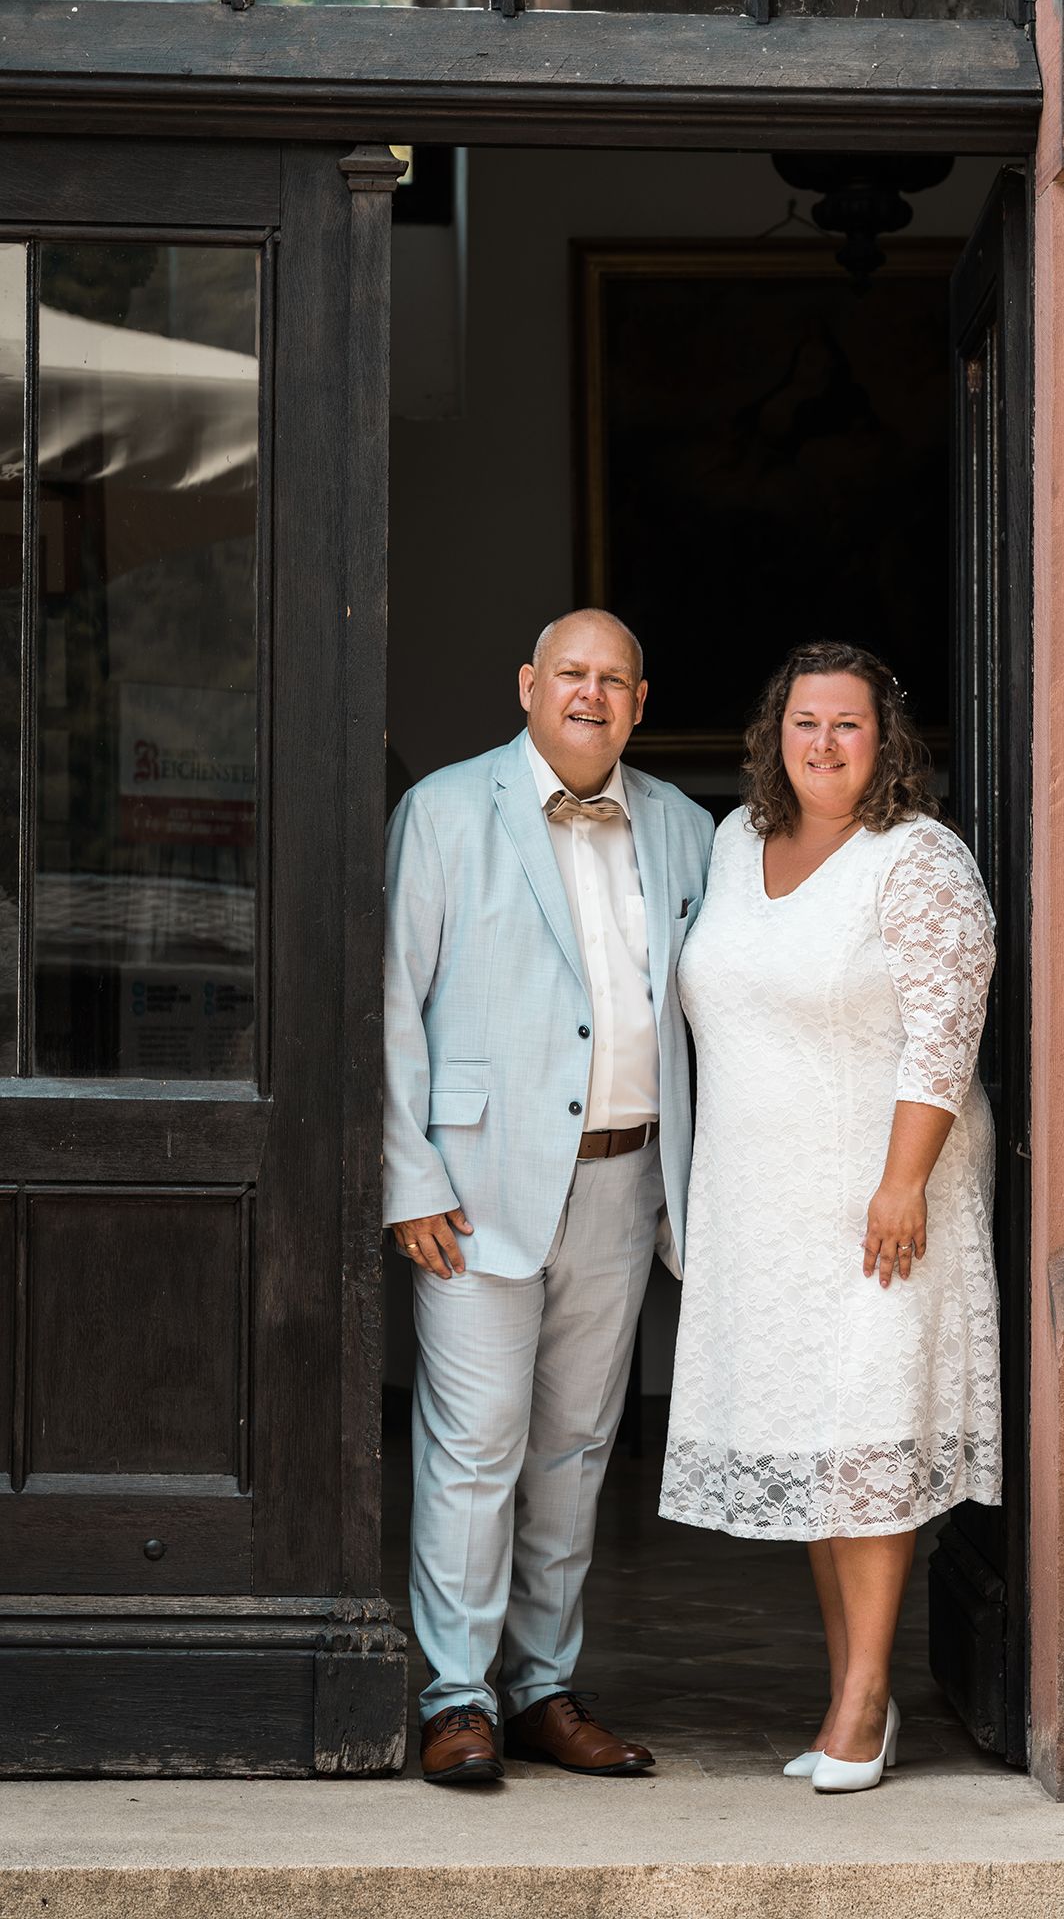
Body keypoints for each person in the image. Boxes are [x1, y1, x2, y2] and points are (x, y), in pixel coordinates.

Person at [659, 639, 1000, 1795]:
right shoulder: (735, 839)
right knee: (814, 1445)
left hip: (877, 1196)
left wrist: (901, 1180)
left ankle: (861, 1702)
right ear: (773, 735)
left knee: (862, 1440)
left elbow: (942, 1033)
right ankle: (855, 1688)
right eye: (803, 723)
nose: (822, 744)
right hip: (765, 1200)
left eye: (846, 725)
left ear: (883, 740)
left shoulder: (916, 859)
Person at [384, 609, 714, 1786]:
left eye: (612, 680)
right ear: (528, 685)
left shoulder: (683, 826)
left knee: (574, 1451)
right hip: (473, 1189)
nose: (590, 695)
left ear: (638, 700)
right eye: (570, 674)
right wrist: (407, 1174)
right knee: (475, 1446)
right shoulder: (441, 810)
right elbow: (392, 999)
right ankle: (456, 1697)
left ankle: (541, 1688)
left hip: (628, 1180)